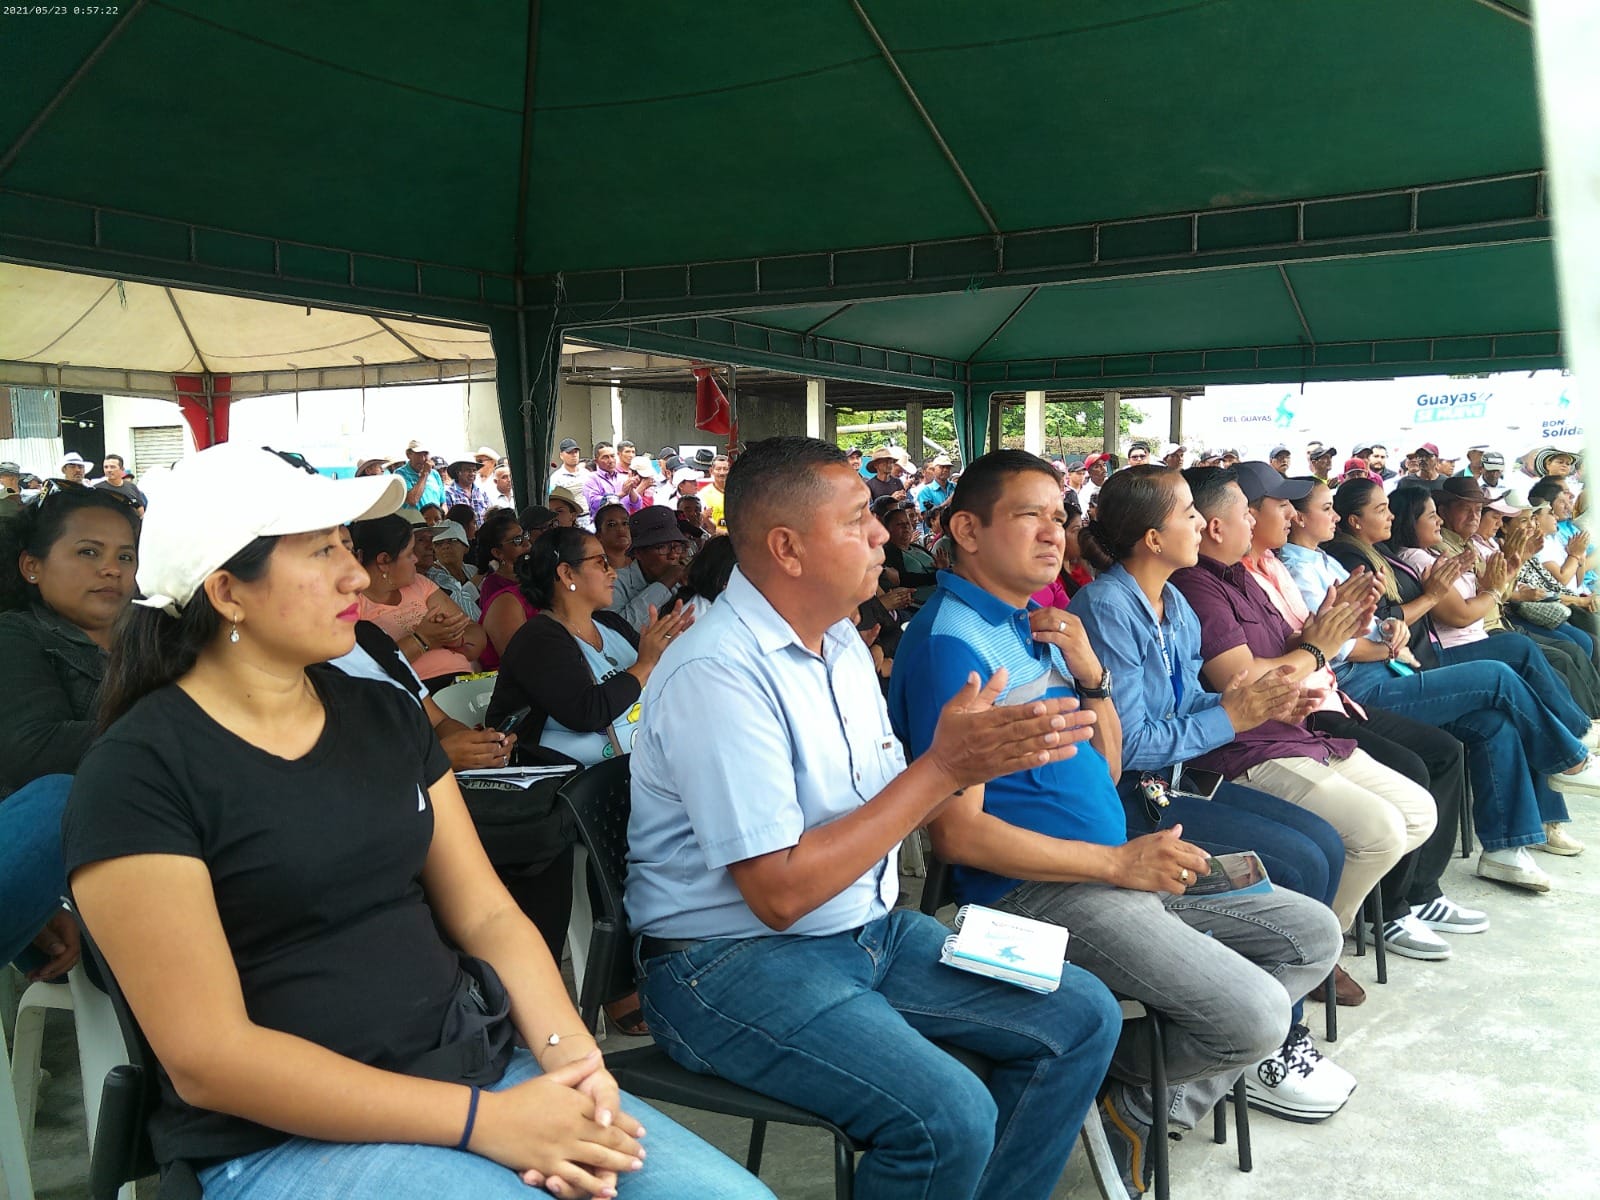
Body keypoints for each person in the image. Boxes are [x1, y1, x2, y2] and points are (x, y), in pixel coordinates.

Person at [62, 442, 773, 1200]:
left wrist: (572, 1057)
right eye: (321, 552)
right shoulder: (139, 773)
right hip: (285, 1138)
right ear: (227, 591)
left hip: (478, 1066)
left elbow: (487, 913)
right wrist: (481, 1122)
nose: (355, 576)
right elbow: (210, 1059)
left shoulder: (383, 717)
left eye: (345, 545)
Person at [627, 435, 1122, 1200]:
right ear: (787, 548)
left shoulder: (841, 644)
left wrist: (971, 763)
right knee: (945, 1116)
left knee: (1081, 1012)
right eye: (858, 518)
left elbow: (891, 804)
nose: (883, 535)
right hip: (727, 965)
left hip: (865, 932)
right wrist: (943, 770)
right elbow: (781, 894)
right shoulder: (718, 671)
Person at [888, 451, 1345, 1187]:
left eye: (1058, 515)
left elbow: (1106, 767)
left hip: (1112, 865)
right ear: (967, 531)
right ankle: (1124, 1086)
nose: (1053, 532)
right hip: (1038, 891)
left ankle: (1137, 1103)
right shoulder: (954, 644)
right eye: (1029, 516)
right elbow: (957, 834)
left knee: (1312, 934)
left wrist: (1094, 678)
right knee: (1257, 1016)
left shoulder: (1031, 625)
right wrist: (1117, 864)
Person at [1069, 466, 1361, 1005]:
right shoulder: (1108, 608)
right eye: (1189, 514)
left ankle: (1283, 1005)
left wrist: (1260, 704)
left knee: (1323, 843)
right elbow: (1128, 744)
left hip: (1172, 783)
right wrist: (1232, 717)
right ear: (1154, 539)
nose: (1202, 524)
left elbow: (1181, 703)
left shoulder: (1173, 603)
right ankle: (1270, 1017)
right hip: (1131, 797)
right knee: (1297, 862)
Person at [1169, 466, 1437, 937]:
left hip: (1296, 730)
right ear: (1216, 527)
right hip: (1247, 748)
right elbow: (1240, 679)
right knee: (1379, 831)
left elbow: (1289, 644)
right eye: (1248, 514)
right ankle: (1313, 939)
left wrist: (1333, 623)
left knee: (1418, 813)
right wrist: (1318, 648)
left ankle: (1314, 929)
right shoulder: (1196, 585)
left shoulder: (1243, 575)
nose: (1264, 521)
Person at [1291, 480, 1590, 890]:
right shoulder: (1309, 565)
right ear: (1299, 517)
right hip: (1360, 686)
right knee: (1498, 675)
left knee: (1495, 723)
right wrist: (1391, 640)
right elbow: (1341, 647)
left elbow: (1370, 622)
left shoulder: (1327, 560)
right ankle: (1570, 757)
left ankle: (1506, 849)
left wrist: (1389, 629)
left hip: (1393, 668)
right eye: (1327, 508)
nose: (1336, 516)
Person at [1233, 464, 1476, 960]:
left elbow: (1323, 636)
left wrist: (1378, 627)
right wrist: (1350, 636)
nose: (1290, 514)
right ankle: (1376, 917)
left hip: (1328, 697)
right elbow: (1307, 654)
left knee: (1468, 735)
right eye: (1285, 506)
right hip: (1315, 704)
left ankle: (1414, 897)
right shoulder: (1242, 576)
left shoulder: (1275, 567)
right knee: (1424, 758)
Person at [0, 481, 139, 984]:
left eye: (126, 556)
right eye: (88, 552)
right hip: (95, 868)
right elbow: (34, 749)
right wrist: (172, 732)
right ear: (32, 566)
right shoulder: (17, 635)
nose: (112, 569)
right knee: (57, 796)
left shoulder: (158, 636)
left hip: (193, 845)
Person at [351, 514, 486, 691]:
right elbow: (366, 669)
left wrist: (455, 639)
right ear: (384, 561)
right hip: (413, 693)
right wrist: (423, 640)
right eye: (409, 554)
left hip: (462, 680)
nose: (415, 559)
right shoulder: (352, 604)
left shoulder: (420, 583)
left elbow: (474, 631)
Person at [608, 508, 688, 632]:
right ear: (638, 553)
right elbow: (619, 632)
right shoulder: (614, 583)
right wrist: (665, 583)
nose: (673, 555)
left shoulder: (681, 581)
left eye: (677, 547)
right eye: (662, 547)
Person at [475, 510, 537, 671]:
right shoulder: (493, 586)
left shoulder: (534, 575)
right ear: (498, 553)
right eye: (517, 540)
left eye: (524, 536)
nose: (526, 543)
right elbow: (513, 651)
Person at [415, 522, 481, 622]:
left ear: (466, 547)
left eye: (452, 541)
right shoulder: (433, 578)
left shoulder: (440, 577)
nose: (445, 546)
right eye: (438, 543)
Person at [396, 439, 446, 512]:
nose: (423, 459)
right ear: (408, 454)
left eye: (425, 454)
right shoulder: (400, 474)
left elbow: (443, 502)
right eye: (418, 454)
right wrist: (425, 474)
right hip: (414, 519)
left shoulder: (434, 474)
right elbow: (412, 500)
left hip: (435, 518)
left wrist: (443, 516)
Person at [444, 456, 490, 523]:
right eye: (468, 470)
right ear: (458, 472)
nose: (472, 474)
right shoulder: (448, 493)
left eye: (474, 470)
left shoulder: (482, 492)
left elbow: (490, 514)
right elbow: (447, 520)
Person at [595, 502, 633, 572]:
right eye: (612, 525)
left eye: (625, 523)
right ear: (599, 536)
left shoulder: (643, 564)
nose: (621, 529)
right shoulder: (597, 573)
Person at [697, 454, 731, 528]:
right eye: (718, 469)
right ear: (711, 471)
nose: (722, 473)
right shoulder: (703, 494)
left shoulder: (739, 493)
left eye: (725, 469)